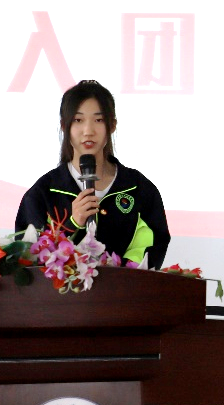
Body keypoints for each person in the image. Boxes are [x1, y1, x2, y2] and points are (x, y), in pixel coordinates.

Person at [15, 80, 171, 269]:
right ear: (64, 126)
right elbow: (31, 257)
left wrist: (118, 275)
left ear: (112, 125)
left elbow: (151, 248)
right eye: (78, 120)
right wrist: (72, 224)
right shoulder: (44, 193)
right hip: (63, 289)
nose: (88, 131)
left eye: (98, 120)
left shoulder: (138, 188)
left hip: (123, 288)